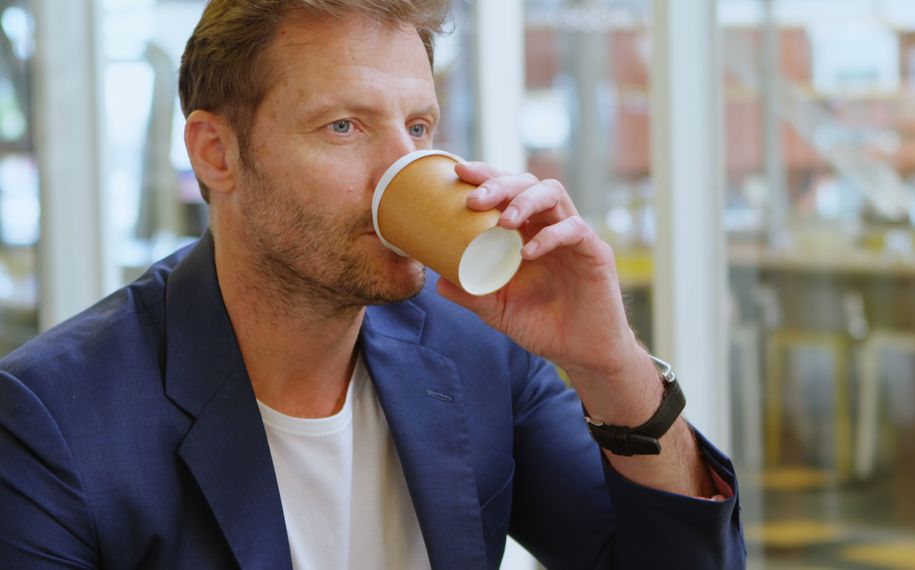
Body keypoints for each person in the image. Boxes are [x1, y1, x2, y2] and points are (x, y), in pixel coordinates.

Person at [0, 1, 745, 568]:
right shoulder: (52, 420)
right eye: (345, 127)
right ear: (216, 155)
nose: (403, 166)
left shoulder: (475, 346)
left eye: (418, 127)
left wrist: (610, 365)